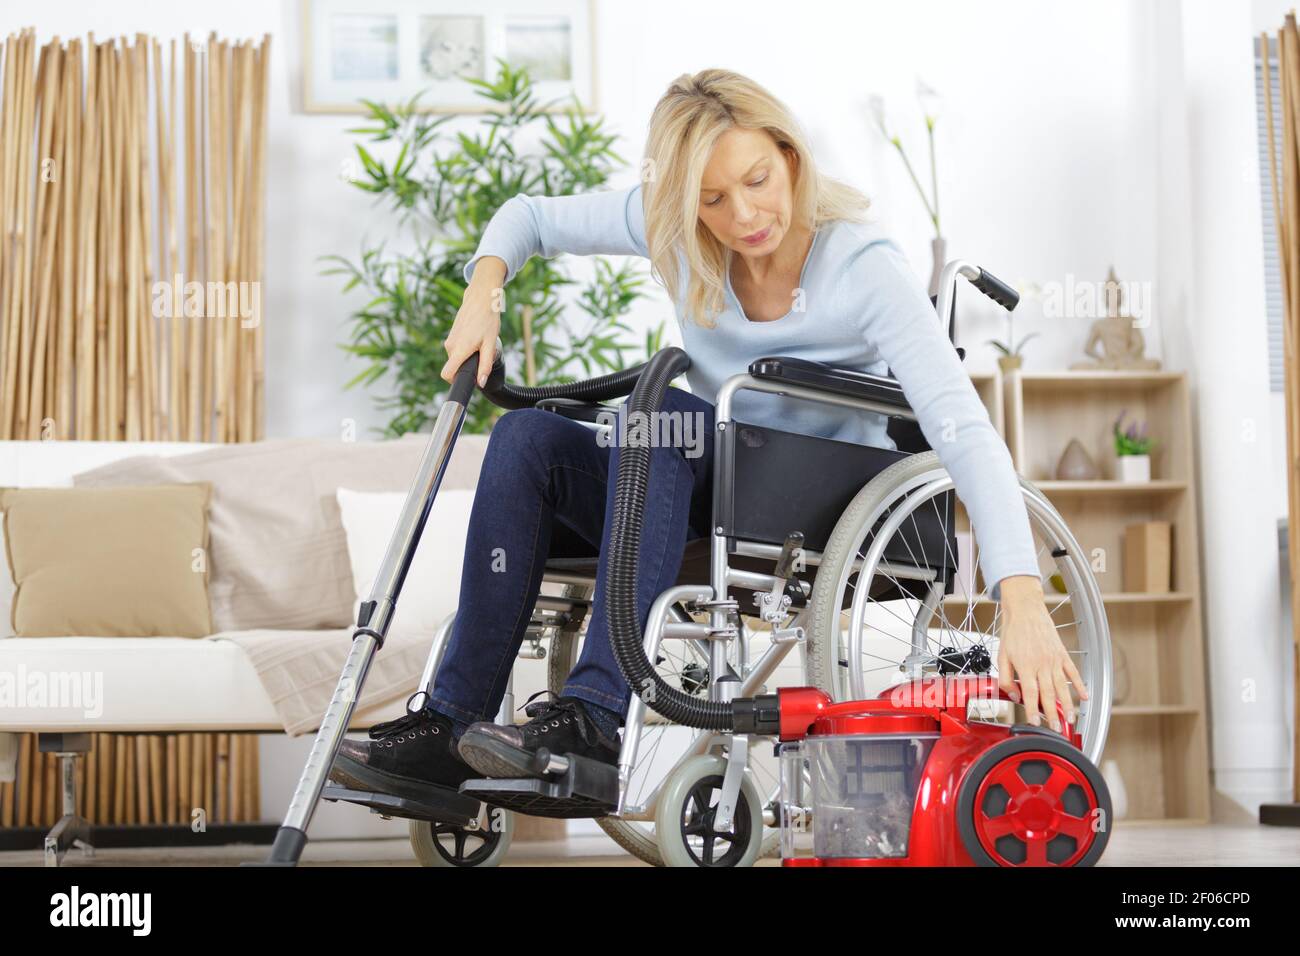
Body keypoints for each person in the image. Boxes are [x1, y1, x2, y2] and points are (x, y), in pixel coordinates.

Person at [329, 68, 1088, 803]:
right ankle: (450, 725)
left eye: (757, 179)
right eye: (712, 199)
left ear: (789, 155)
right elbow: (528, 217)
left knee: (667, 417)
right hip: (700, 480)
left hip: (811, 495)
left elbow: (964, 429)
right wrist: (483, 292)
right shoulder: (679, 232)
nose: (744, 215)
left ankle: (595, 718)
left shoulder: (863, 268)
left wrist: (1019, 599)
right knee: (528, 437)